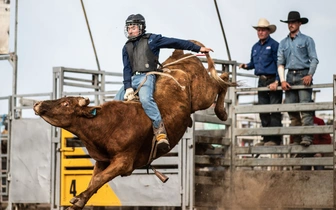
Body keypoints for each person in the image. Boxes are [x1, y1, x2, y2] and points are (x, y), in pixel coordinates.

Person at [114, 14, 213, 154]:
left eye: (133, 27)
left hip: (148, 76)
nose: (130, 31)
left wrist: (197, 48)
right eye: (128, 28)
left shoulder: (153, 39)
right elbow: (126, 69)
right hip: (133, 79)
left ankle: (160, 131)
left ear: (141, 28)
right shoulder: (126, 47)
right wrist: (128, 86)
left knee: (146, 99)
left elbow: (175, 42)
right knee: (115, 101)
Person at [277, 11, 319, 147]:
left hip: (303, 75)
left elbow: (314, 59)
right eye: (289, 22)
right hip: (289, 76)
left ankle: (307, 137)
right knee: (292, 109)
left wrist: (310, 74)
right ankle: (296, 137)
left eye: (294, 22)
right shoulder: (283, 43)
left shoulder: (307, 40)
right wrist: (282, 80)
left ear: (299, 23)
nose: (291, 24)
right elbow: (280, 62)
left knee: (306, 109)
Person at [239, 18, 283, 146]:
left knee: (274, 109)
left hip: (272, 79)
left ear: (268, 31)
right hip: (262, 81)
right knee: (263, 110)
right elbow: (254, 63)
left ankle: (274, 139)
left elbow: (279, 63)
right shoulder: (255, 47)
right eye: (259, 30)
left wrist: (277, 81)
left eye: (263, 30)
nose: (260, 32)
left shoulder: (275, 45)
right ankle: (266, 138)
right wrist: (246, 66)